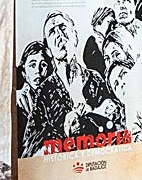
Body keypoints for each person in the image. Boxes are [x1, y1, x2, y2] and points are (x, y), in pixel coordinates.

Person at [26, 11, 121, 146]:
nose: (59, 34)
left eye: (63, 27)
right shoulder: (44, 91)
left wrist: (95, 113)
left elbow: (116, 119)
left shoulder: (95, 79)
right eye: (52, 32)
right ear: (48, 49)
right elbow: (30, 143)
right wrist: (64, 129)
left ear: (75, 35)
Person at [15, 40, 51, 157]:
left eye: (43, 65)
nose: (38, 71)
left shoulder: (53, 99)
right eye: (32, 65)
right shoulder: (20, 101)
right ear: (24, 72)